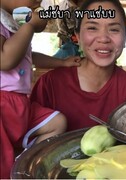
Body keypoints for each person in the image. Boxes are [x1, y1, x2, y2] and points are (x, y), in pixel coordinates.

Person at [30, 0, 126, 132]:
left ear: (125, 38)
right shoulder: (50, 84)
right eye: (92, 28)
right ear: (78, 36)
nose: (103, 38)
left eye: (114, 29)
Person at [0, 0, 81, 178]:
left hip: (20, 103)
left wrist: (61, 63)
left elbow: (27, 55)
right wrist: (29, 26)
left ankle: (23, 162)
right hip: (3, 104)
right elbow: (5, 60)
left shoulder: (12, 21)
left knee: (57, 123)